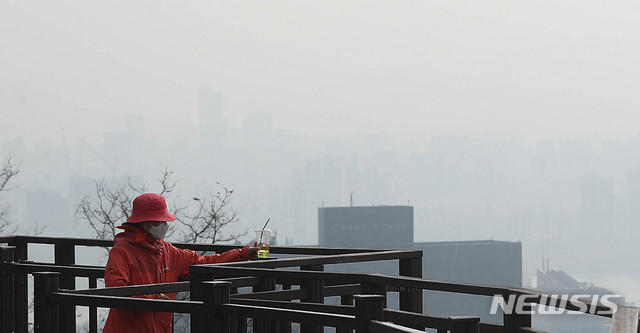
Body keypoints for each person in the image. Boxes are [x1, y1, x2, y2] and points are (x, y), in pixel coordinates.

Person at [102, 193, 258, 333]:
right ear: (143, 222)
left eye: (164, 220)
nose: (164, 224)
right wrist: (153, 299)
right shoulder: (122, 251)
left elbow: (203, 263)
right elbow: (116, 291)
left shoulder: (167, 251)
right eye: (159, 220)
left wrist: (242, 254)